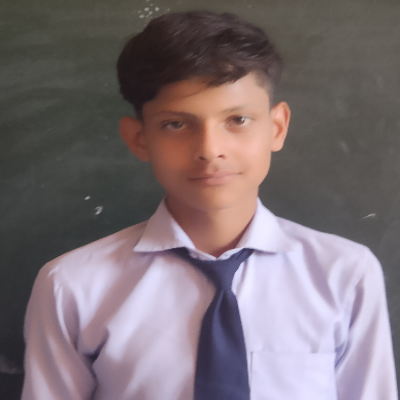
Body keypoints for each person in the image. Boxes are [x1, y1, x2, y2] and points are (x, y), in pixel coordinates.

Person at [22, 10, 397, 400]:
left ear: (277, 127)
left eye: (238, 119)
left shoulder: (344, 275)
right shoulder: (73, 286)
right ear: (139, 139)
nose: (210, 149)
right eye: (176, 124)